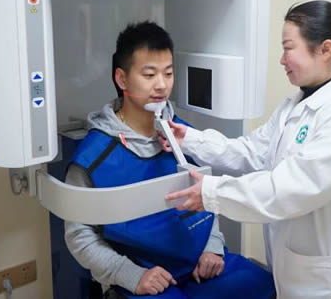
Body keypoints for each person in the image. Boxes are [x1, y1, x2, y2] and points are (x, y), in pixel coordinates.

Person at [163, 1, 331, 298]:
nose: (282, 60)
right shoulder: (296, 105)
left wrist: (210, 193)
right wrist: (190, 139)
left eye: (288, 48)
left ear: (325, 50)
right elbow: (252, 152)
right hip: (300, 274)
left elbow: (288, 190)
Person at [65, 21, 275, 298]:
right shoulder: (93, 157)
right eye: (149, 74)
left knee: (264, 285)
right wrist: (130, 275)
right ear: (122, 79)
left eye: (168, 73)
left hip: (200, 265)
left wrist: (213, 246)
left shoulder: (183, 135)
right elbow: (79, 235)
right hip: (143, 275)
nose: (162, 85)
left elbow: (205, 193)